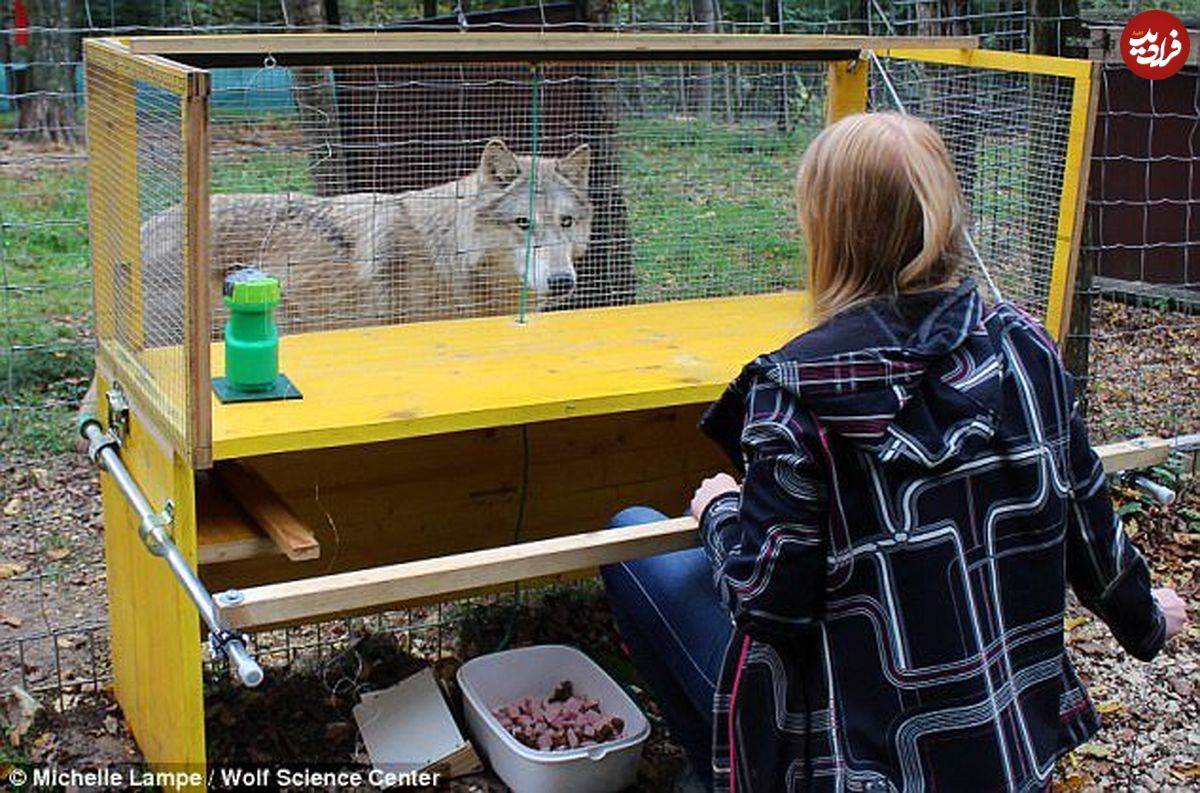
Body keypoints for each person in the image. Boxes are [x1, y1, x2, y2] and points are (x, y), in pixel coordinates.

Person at [600, 111, 1188, 793]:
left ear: (824, 229)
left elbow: (769, 603)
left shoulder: (794, 391)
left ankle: (720, 771)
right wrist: (1148, 619)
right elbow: (1093, 529)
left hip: (855, 762)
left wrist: (721, 511)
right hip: (1007, 742)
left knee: (631, 536)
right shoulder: (1025, 344)